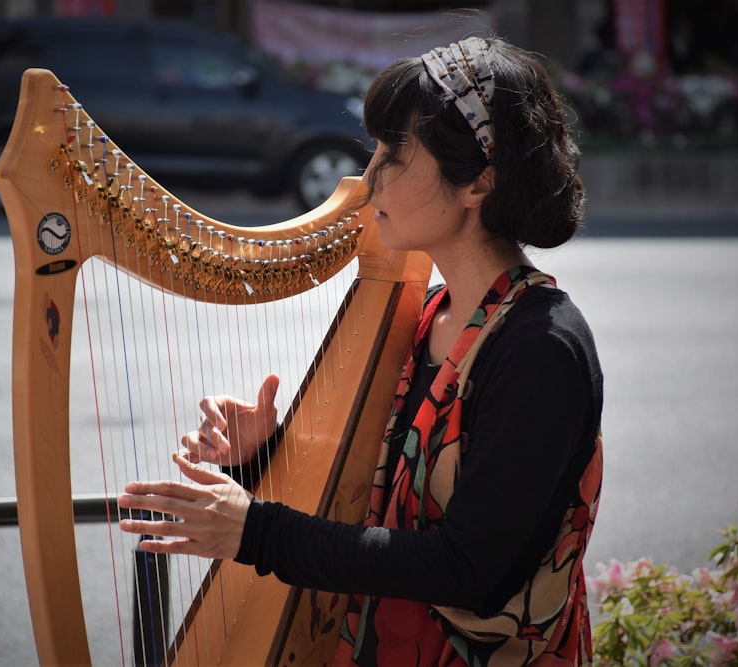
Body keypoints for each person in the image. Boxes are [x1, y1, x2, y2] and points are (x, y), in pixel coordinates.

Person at [118, 35, 604, 666]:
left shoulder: (542, 348)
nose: (368, 177)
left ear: (477, 182)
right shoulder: (425, 311)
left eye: (394, 153)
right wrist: (267, 457)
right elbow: (366, 506)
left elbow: (467, 567)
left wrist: (255, 530)